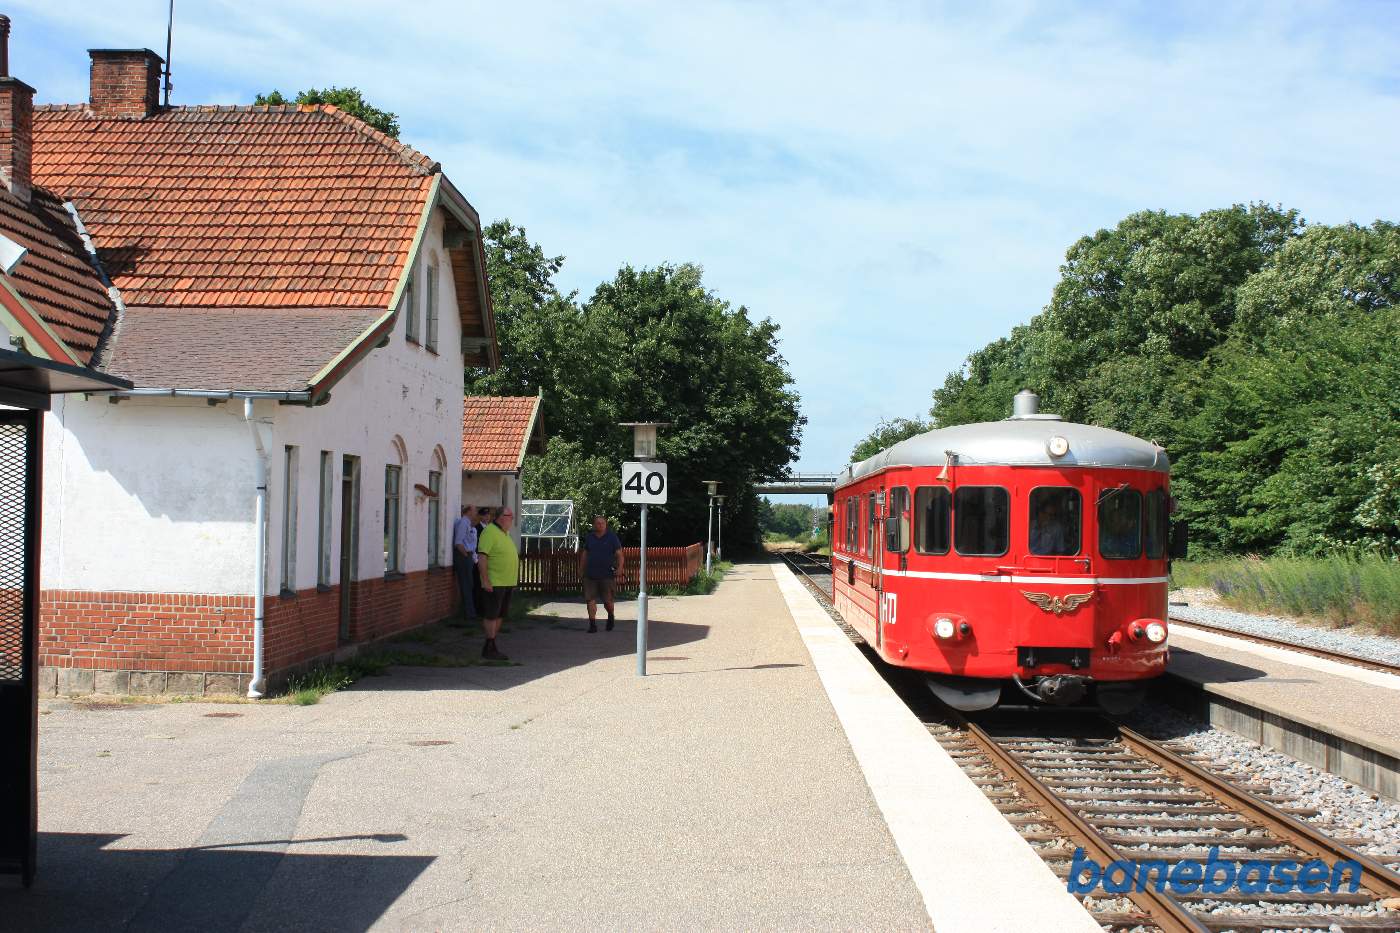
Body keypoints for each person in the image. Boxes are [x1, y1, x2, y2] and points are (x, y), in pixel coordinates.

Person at [475, 507, 519, 660]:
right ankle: (489, 646)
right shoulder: (489, 532)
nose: (512, 519)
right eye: (510, 516)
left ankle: (491, 644)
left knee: (500, 614)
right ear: (501, 517)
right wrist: (485, 580)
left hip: (506, 582)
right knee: (492, 614)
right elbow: (482, 557)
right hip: (495, 582)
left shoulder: (505, 533)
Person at [578, 515, 624, 633]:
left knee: (608, 601)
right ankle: (592, 624)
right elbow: (585, 554)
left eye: (602, 523)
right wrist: (581, 569)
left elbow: (619, 554)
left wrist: (620, 568)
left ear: (606, 524)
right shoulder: (590, 537)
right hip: (590, 575)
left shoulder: (612, 537)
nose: (600, 525)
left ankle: (611, 615)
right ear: (594, 525)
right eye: (598, 523)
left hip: (607, 575)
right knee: (590, 600)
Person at [452, 504, 478, 622]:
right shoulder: (463, 523)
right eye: (474, 510)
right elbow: (458, 542)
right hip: (463, 556)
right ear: (468, 511)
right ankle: (469, 614)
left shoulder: (468, 524)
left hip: (468, 556)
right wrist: (466, 555)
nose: (476, 512)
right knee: (466, 584)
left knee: (469, 584)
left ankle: (469, 612)